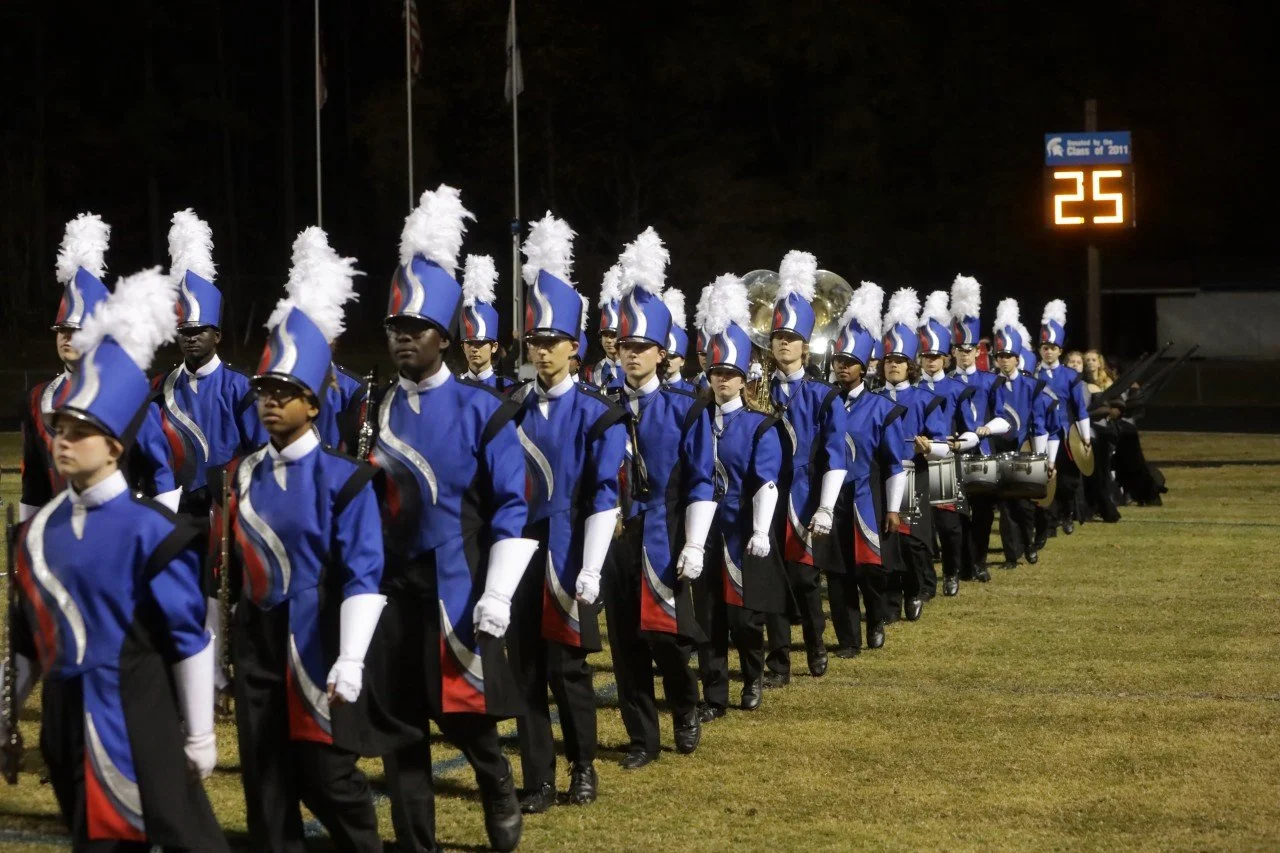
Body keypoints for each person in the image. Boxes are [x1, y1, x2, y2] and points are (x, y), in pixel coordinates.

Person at [7, 267, 227, 850]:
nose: (61, 437)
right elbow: (27, 644)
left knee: (186, 837)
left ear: (113, 445)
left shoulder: (151, 533)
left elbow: (188, 637)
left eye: (80, 428)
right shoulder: (33, 537)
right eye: (59, 426)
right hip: (63, 724)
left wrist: (201, 734)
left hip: (139, 715)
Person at [364, 185, 534, 853]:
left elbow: (512, 506)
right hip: (389, 586)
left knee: (461, 712)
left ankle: (495, 781)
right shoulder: (370, 408)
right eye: (395, 329)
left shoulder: (481, 409)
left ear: (446, 333)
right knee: (400, 724)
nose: (404, 340)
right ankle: (416, 840)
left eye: (418, 329)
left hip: (456, 581)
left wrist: (498, 590)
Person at [218, 227, 387, 852]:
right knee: (264, 780)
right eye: (264, 392)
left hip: (318, 636)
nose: (268, 403)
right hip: (258, 636)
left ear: (314, 404)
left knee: (327, 774)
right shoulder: (242, 472)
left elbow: (365, 571)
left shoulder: (346, 480)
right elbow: (227, 569)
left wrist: (352, 657)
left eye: (284, 393)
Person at [506, 214, 627, 812]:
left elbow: (604, 492)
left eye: (551, 342)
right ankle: (539, 779)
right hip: (521, 555)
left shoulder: (598, 413)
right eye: (534, 342)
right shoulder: (511, 409)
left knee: (569, 672)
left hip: (571, 550)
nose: (541, 352)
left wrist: (592, 566)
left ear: (573, 347)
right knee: (526, 672)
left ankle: (583, 767)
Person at [602, 227, 715, 768]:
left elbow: (699, 479)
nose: (630, 355)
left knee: (666, 637)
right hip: (617, 535)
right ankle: (643, 738)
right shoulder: (600, 408)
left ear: (661, 352)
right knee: (625, 646)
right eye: (624, 346)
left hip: (664, 533)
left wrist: (694, 543)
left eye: (641, 347)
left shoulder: (685, 407)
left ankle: (686, 705)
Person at [21, 213, 179, 522]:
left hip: (122, 524)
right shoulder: (37, 397)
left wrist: (162, 533)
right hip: (56, 529)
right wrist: (28, 534)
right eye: (61, 329)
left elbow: (159, 470)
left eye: (77, 329)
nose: (67, 336)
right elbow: (34, 481)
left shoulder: (130, 394)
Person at [695, 273, 786, 711]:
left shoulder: (758, 424)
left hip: (741, 528)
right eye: (716, 373)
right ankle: (714, 694)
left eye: (729, 374)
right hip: (703, 528)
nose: (722, 381)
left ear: (742, 377)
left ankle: (752, 678)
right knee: (708, 615)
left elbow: (766, 479)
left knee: (744, 616)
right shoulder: (696, 420)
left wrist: (762, 531)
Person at [761, 251, 847, 687]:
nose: (783, 343)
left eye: (791, 337)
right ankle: (778, 662)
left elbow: (836, 454)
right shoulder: (755, 390)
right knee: (771, 578)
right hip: (763, 495)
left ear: (805, 344)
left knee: (804, 578)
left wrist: (826, 507)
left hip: (804, 496)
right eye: (777, 336)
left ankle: (814, 642)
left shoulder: (824, 396)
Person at [826, 282, 907, 654]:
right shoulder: (824, 403)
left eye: (849, 363)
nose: (842, 368)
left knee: (869, 570)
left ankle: (875, 621)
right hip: (831, 499)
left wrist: (893, 507)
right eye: (838, 361)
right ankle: (848, 640)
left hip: (866, 497)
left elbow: (893, 463)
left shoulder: (880, 408)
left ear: (865, 366)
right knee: (838, 571)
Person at [875, 288, 951, 621]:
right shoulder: (873, 398)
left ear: (910, 366)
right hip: (880, 477)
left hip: (913, 474)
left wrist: (928, 447)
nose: (894, 366)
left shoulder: (924, 399)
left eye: (900, 361)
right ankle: (890, 602)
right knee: (886, 543)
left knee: (913, 543)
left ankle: (916, 590)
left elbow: (944, 444)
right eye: (889, 360)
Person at [980, 300, 1058, 568]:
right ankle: (1012, 556)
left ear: (1017, 359)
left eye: (1008, 356)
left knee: (1024, 504)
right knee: (1005, 505)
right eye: (999, 356)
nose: (1003, 361)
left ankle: (1030, 543)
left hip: (1026, 448)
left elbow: (1038, 422)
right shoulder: (992, 385)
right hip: (1001, 449)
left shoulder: (1032, 386)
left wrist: (1044, 456)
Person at [948, 275, 1001, 581]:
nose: (966, 354)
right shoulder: (946, 383)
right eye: (960, 349)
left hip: (983, 452)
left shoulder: (990, 380)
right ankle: (960, 565)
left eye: (970, 349)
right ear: (953, 351)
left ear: (977, 351)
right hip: (954, 453)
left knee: (982, 512)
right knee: (957, 513)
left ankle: (978, 562)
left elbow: (1004, 415)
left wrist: (989, 429)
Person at [916, 290, 968, 597]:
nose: (931, 361)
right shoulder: (912, 387)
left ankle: (951, 572)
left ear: (945, 358)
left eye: (936, 357)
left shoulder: (957, 388)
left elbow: (968, 427)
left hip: (946, 460)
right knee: (921, 525)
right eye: (926, 356)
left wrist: (960, 443)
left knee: (948, 525)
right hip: (917, 461)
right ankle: (925, 581)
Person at [1033, 300, 1093, 546]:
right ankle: (1049, 522)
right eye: (1044, 347)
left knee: (1068, 481)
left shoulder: (1071, 375)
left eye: (1052, 347)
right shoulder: (1033, 375)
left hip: (1067, 434)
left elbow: (1080, 408)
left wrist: (1086, 437)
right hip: (1042, 434)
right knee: (1045, 480)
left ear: (1060, 351)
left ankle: (1068, 511)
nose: (1048, 351)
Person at [460, 254, 519, 392]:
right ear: (463, 347)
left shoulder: (510, 389)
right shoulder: (453, 389)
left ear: (494, 347)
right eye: (470, 342)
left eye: (481, 342)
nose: (474, 348)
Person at [586, 265, 625, 390]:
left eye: (613, 335)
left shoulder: (636, 370)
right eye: (605, 335)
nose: (608, 340)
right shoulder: (589, 373)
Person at [662, 289, 696, 392]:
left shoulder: (693, 391)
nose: (668, 360)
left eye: (672, 356)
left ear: (682, 361)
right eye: (665, 356)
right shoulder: (648, 390)